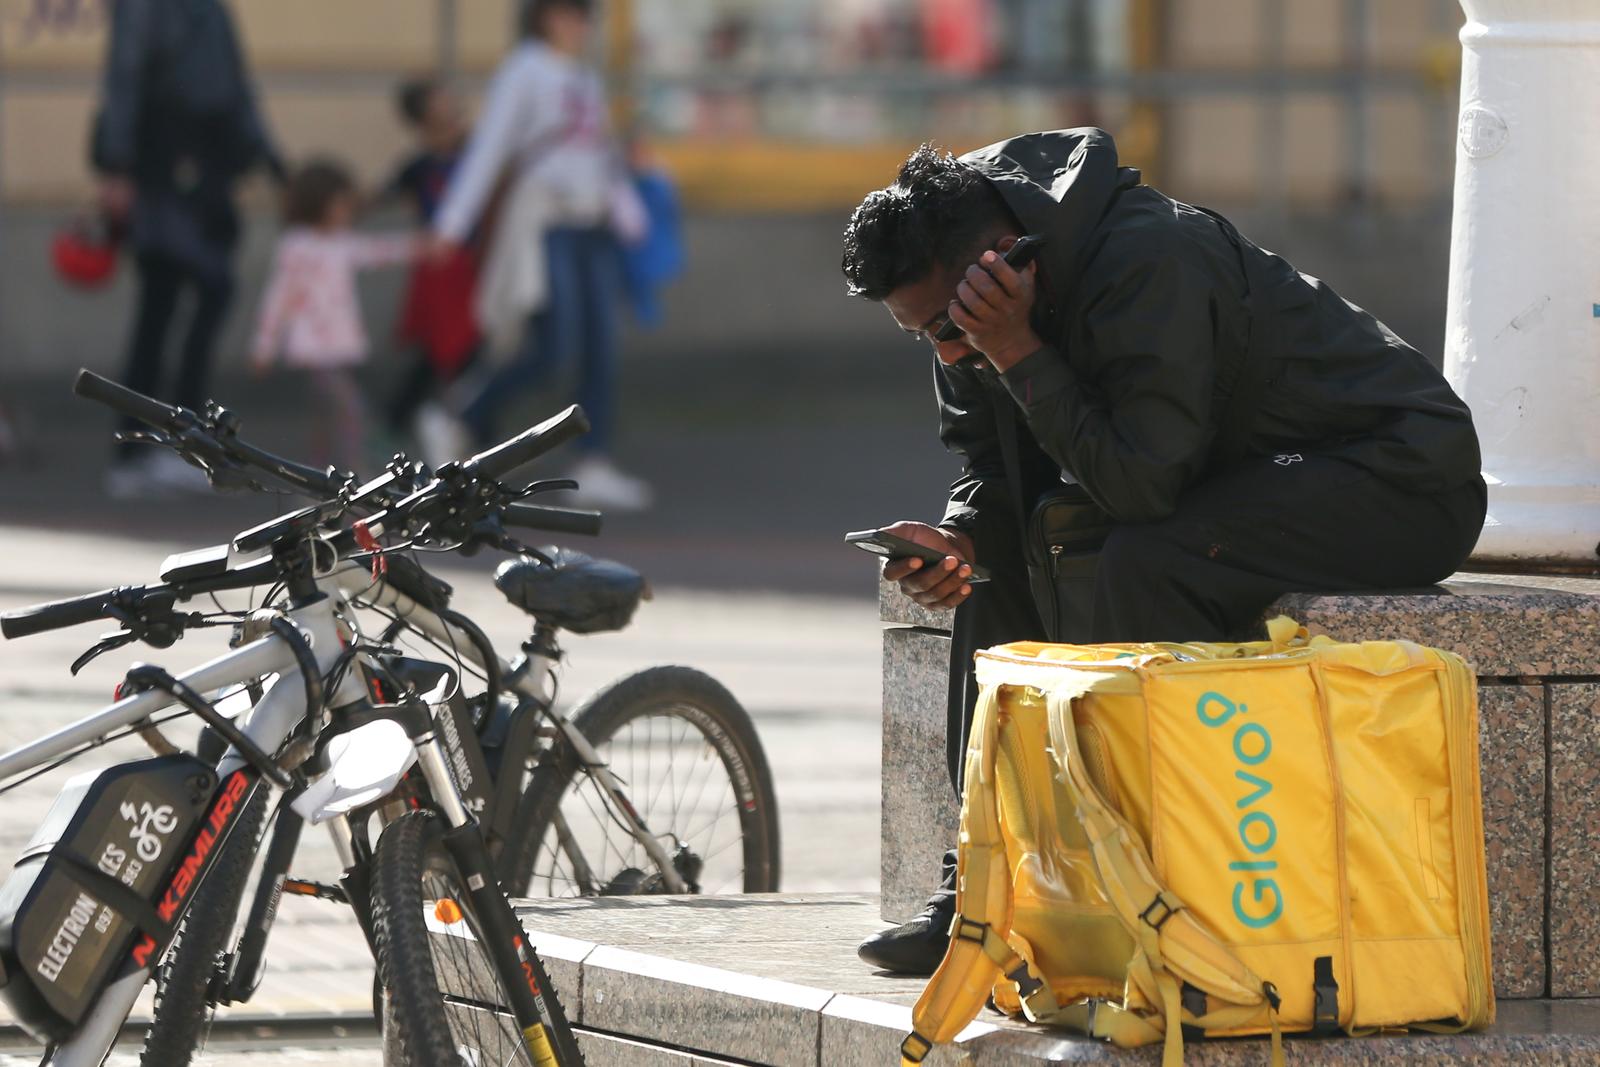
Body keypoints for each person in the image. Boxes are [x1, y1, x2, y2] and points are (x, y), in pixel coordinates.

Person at [840, 130, 1486, 975]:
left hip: (1393, 472)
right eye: (921, 335)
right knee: (998, 566)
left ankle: (1154, 887)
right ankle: (980, 890)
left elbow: (1141, 485)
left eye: (943, 326)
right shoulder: (975, 303)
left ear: (1002, 260)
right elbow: (996, 467)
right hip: (1227, 476)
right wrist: (960, 537)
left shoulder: (1149, 259)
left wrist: (1016, 350)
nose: (946, 351)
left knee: (1152, 558)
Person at [432, 0, 653, 511]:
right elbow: (490, 148)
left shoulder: (584, 77)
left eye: (585, 15)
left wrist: (628, 210)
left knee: (602, 349)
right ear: (546, 16)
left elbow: (601, 154)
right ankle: (461, 415)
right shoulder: (524, 70)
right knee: (555, 349)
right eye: (573, 14)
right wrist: (451, 224)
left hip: (592, 227)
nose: (582, 25)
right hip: (547, 227)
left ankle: (593, 460)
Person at [92, 0, 284, 497]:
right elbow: (125, 76)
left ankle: (179, 443)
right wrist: (116, 165)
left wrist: (271, 159)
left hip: (207, 170)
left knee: (202, 300)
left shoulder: (211, 10)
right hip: (163, 166)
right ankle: (134, 455)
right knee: (160, 312)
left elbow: (237, 86)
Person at [250, 160, 419, 474]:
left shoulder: (340, 243)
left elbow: (379, 251)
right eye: (342, 203)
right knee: (349, 410)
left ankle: (320, 481)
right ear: (320, 204)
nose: (348, 211)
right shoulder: (297, 246)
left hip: (337, 346)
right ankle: (353, 478)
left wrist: (419, 247)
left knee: (325, 419)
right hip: (314, 348)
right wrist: (264, 346)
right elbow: (278, 298)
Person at [380, 77, 480, 467]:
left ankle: (449, 422)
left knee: (465, 350)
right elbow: (381, 195)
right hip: (439, 270)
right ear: (423, 118)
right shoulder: (419, 167)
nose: (452, 105)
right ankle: (404, 420)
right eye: (440, 101)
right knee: (439, 352)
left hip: (473, 266)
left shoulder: (477, 154)